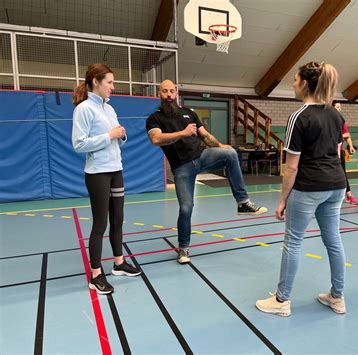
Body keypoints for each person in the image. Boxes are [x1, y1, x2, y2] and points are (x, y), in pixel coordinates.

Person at [255, 62, 347, 317]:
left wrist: (282, 199)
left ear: (305, 83)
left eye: (295, 80)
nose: (293, 84)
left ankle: (282, 300)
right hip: (336, 185)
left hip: (309, 187)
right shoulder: (336, 115)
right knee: (334, 241)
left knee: (293, 242)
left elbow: (291, 167)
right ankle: (337, 298)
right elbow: (336, 155)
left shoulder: (299, 116)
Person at [146, 80, 267, 264]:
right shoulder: (154, 118)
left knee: (230, 153)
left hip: (202, 156)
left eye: (171, 91)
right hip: (182, 168)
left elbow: (205, 135)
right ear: (159, 94)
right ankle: (183, 248)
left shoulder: (189, 113)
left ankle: (243, 203)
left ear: (176, 93)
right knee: (186, 208)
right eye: (165, 91)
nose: (169, 94)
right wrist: (182, 133)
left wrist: (220, 146)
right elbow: (156, 139)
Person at [72, 63, 141, 295]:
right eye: (109, 82)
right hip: (97, 173)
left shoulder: (109, 109)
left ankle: (119, 263)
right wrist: (109, 135)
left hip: (115, 170)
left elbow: (114, 137)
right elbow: (79, 144)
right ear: (96, 82)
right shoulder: (83, 109)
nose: (113, 87)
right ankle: (96, 274)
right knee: (100, 223)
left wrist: (119, 134)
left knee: (118, 219)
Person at [332, 101, 358, 205]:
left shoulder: (342, 121)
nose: (339, 109)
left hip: (340, 152)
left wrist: (351, 146)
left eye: (340, 107)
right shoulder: (328, 120)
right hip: (329, 152)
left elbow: (347, 134)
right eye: (337, 107)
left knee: (343, 174)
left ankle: (349, 195)